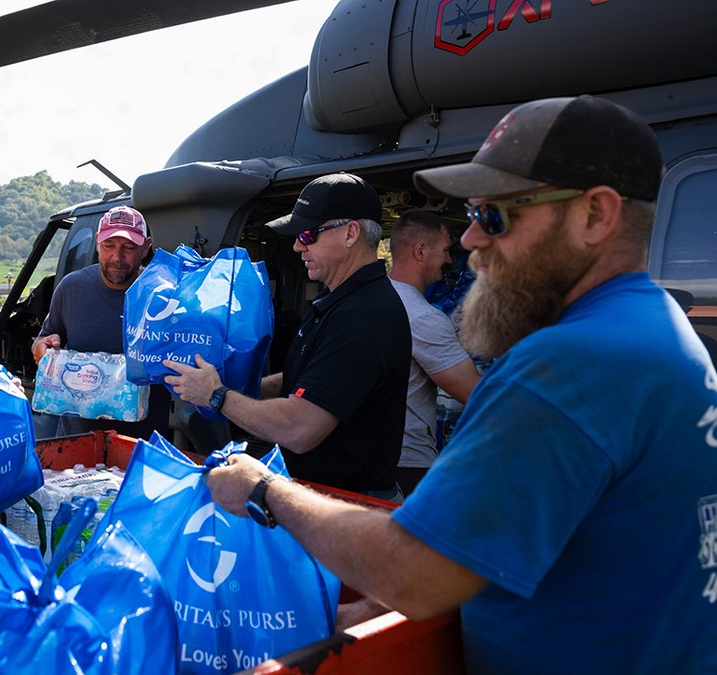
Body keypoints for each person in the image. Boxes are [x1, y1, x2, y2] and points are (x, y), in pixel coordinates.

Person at [205, 96, 717, 672]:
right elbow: (514, 538)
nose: (470, 240)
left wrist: (263, 490)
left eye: (494, 215)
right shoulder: (652, 326)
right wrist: (371, 606)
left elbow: (416, 571)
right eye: (472, 213)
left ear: (596, 216)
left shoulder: (569, 363)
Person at [164, 173, 410, 501]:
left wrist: (217, 395)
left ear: (351, 232)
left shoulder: (364, 315)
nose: (297, 245)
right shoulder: (343, 301)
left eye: (308, 234)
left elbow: (300, 428)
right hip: (328, 499)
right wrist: (242, 385)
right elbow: (313, 377)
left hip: (350, 510)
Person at [31, 205, 171, 440]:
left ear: (146, 247)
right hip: (77, 442)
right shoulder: (71, 288)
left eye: (129, 248)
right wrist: (40, 348)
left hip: (141, 444)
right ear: (97, 242)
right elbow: (45, 339)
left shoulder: (164, 294)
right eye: (109, 246)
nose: (117, 257)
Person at [387, 209, 480, 494]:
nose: (449, 260)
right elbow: (477, 394)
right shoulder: (421, 316)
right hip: (409, 463)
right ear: (421, 251)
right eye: (445, 250)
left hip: (373, 456)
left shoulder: (372, 300)